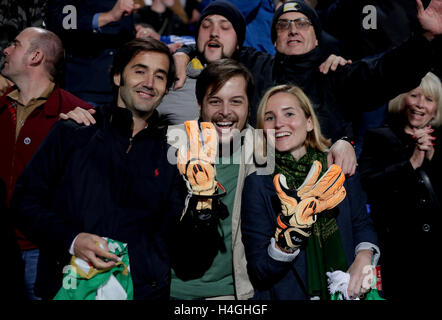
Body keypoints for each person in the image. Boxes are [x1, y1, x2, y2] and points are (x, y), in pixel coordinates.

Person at [10, 37, 186, 300]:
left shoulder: (173, 153)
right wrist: (72, 240)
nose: (149, 83)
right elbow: (24, 203)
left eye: (159, 76)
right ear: (117, 76)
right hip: (67, 288)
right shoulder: (73, 131)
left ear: (166, 88)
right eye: (140, 71)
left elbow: (175, 238)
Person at [241, 84, 379, 300]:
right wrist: (288, 240)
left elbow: (362, 225)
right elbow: (260, 272)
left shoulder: (337, 167)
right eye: (269, 118)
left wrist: (364, 257)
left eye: (289, 113)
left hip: (345, 294)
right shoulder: (258, 183)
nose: (279, 124)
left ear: (308, 122)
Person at [0, 27, 92, 300]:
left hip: (41, 252)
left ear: (36, 56)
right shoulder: (2, 106)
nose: (5, 50)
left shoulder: (77, 116)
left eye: (15, 45)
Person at [166, 58, 262, 300]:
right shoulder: (170, 143)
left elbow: (308, 146)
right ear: (199, 104)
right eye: (215, 101)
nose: (225, 112)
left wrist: (342, 144)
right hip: (166, 288)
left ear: (249, 106)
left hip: (228, 293)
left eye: (236, 102)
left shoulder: (263, 148)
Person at [358, 72, 442, 300]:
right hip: (398, 254)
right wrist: (411, 163)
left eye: (428, 99)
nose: (420, 104)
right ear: (402, 98)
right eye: (414, 95)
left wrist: (432, 160)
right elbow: (367, 184)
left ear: (436, 108)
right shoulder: (379, 138)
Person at [45, 0, 157, 106]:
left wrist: (139, 30)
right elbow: (58, 21)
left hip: (122, 85)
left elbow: (122, 24)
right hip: (86, 85)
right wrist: (109, 16)